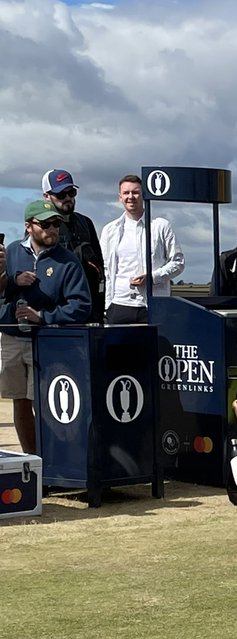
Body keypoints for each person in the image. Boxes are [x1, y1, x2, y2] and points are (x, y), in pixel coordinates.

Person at [1, 200, 92, 452]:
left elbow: (82, 305)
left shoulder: (68, 261)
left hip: (47, 343)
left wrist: (42, 316)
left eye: (56, 224)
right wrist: (12, 281)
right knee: (19, 402)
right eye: (45, 224)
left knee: (43, 404)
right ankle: (32, 462)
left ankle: (52, 463)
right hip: (11, 339)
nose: (52, 229)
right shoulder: (10, 252)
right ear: (28, 226)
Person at [99, 174, 185, 324]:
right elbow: (106, 269)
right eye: (126, 193)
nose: (130, 197)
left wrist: (151, 278)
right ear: (120, 197)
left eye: (135, 192)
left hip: (153, 306)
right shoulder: (110, 230)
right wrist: (108, 306)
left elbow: (178, 263)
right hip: (119, 305)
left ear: (143, 195)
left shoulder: (160, 226)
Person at [42, 169, 104, 325]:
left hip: (87, 309)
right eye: (61, 195)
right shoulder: (40, 227)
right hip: (56, 311)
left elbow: (100, 266)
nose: (68, 198)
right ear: (47, 196)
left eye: (72, 192)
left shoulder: (86, 223)